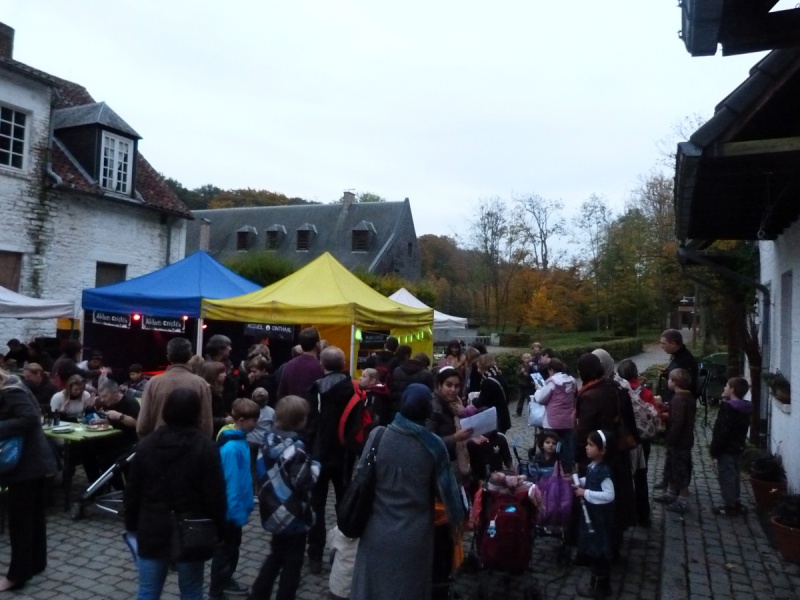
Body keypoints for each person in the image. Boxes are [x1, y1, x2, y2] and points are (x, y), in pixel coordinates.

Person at [350, 384, 465, 600]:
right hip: (415, 533)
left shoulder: (378, 436)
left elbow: (361, 474)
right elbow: (444, 491)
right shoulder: (434, 446)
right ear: (426, 410)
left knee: (371, 586)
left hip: (376, 528)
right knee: (408, 589)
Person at [124, 387, 227, 600]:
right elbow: (215, 495)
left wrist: (132, 524)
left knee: (148, 590)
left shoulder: (146, 446)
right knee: (191, 590)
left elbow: (132, 491)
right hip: (193, 526)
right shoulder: (206, 448)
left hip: (152, 525)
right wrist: (220, 528)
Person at [250, 395, 320, 600]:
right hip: (293, 512)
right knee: (293, 562)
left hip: (271, 508)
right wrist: (316, 466)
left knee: (275, 555)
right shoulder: (296, 449)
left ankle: (258, 594)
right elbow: (303, 481)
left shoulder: (267, 440)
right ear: (301, 421)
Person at [0, 368, 58, 592]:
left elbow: (30, 418)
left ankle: (18, 575)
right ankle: (36, 562)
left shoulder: (12, 390)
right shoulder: (14, 387)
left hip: (26, 464)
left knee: (20, 521)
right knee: (32, 516)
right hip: (31, 462)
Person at [305, 346, 355, 575]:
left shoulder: (316, 389)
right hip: (344, 453)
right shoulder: (352, 389)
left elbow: (311, 423)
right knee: (344, 503)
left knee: (316, 503)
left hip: (319, 452)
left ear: (322, 364)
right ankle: (343, 550)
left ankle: (315, 554)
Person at [209, 398, 260, 600]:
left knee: (232, 548)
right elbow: (230, 481)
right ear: (241, 419)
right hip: (230, 511)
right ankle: (217, 590)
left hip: (236, 508)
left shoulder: (239, 439)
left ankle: (226, 579)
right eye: (253, 421)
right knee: (225, 551)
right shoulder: (231, 447)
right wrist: (236, 511)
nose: (256, 424)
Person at [138, 337, 213, 439]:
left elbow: (142, 426)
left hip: (159, 446)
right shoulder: (201, 384)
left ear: (168, 357)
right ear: (190, 356)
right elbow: (207, 426)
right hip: (191, 448)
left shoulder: (153, 383)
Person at [572, 430, 615, 598]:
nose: (586, 448)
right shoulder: (592, 466)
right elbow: (590, 482)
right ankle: (595, 582)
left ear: (603, 450)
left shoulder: (604, 472)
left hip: (601, 519)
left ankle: (601, 586)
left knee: (600, 551)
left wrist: (586, 493)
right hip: (593, 516)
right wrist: (579, 483)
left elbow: (609, 495)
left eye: (591, 445)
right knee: (594, 548)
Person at [617, 358, 657, 527]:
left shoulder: (620, 390)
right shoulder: (645, 392)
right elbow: (653, 412)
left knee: (624, 477)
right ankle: (643, 514)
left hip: (625, 438)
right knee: (641, 476)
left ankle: (626, 512)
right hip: (642, 440)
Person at [654, 368, 697, 514]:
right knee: (672, 467)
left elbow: (678, 422)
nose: (667, 382)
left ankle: (682, 500)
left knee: (680, 470)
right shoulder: (686, 397)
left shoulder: (679, 399)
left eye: (670, 380)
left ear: (675, 382)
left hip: (679, 442)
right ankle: (671, 494)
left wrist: (670, 438)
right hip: (683, 441)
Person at [82, 379, 140, 488]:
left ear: (115, 393)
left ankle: (119, 487)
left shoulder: (129, 402)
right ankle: (96, 486)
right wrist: (93, 414)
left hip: (127, 441)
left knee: (106, 458)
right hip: (108, 438)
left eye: (105, 396)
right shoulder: (103, 403)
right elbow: (103, 419)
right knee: (85, 452)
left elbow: (137, 424)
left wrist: (120, 416)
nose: (102, 399)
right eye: (101, 396)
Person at [710, 377, 752, 516]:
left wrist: (715, 451)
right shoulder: (744, 408)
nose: (724, 388)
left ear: (732, 390)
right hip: (737, 446)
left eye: (727, 386)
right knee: (734, 474)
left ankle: (730, 505)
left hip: (726, 448)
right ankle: (735, 499)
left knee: (727, 475)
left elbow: (722, 431)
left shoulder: (728, 409)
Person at [532, 357, 576, 472]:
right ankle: (566, 470)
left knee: (550, 447)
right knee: (566, 448)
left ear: (550, 369)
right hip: (567, 420)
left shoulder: (552, 382)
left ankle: (551, 469)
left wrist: (538, 390)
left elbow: (541, 399)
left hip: (552, 421)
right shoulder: (572, 380)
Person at [276, 327, 324, 400]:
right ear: (317, 344)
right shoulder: (320, 367)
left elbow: (281, 394)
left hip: (292, 408)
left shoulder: (289, 365)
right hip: (311, 409)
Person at [472, 354, 511, 434]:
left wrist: (473, 399)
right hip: (504, 416)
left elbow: (481, 403)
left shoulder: (487, 382)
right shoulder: (499, 376)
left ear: (483, 366)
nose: (477, 370)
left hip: (495, 419)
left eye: (478, 366)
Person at [246, 388, 275, 495]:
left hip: (250, 441)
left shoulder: (249, 410)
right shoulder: (271, 412)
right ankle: (262, 489)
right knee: (263, 466)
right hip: (264, 442)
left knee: (251, 466)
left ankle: (253, 490)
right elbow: (274, 426)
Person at [659, 329, 698, 402]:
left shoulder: (684, 361)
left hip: (679, 401)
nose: (661, 346)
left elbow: (681, 386)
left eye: (664, 343)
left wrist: (664, 402)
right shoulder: (677, 355)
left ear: (673, 344)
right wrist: (667, 373)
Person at [515, 353, 535, 417]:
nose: (526, 360)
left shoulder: (531, 366)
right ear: (523, 359)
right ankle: (518, 412)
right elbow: (517, 375)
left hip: (529, 385)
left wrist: (528, 375)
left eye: (528, 358)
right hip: (521, 385)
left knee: (529, 400)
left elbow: (533, 375)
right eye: (525, 358)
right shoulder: (520, 366)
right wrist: (521, 372)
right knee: (520, 399)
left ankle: (530, 412)